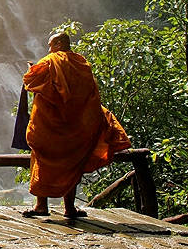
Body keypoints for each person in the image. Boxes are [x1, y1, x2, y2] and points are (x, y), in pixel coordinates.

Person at [21, 32, 131, 218]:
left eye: (50, 45)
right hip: (76, 127)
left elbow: (33, 81)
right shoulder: (81, 63)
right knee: (72, 164)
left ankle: (41, 206)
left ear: (58, 44)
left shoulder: (51, 61)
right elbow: (89, 96)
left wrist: (31, 69)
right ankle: (69, 208)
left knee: (42, 161)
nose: (48, 49)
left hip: (50, 127)